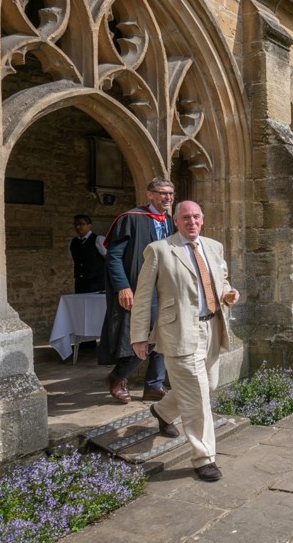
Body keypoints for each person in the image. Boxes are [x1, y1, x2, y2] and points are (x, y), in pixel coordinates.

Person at [131, 200, 238, 482]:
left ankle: (162, 411)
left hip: (211, 328)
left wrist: (228, 293)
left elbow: (222, 280)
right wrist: (139, 336)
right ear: (175, 221)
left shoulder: (214, 247)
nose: (192, 222)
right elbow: (143, 296)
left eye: (196, 217)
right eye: (186, 217)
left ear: (202, 219)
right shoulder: (159, 250)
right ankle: (204, 458)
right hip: (178, 332)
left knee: (208, 385)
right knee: (198, 398)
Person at [99, 177, 175, 404]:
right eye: (163, 193)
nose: (168, 197)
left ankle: (154, 385)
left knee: (164, 336)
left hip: (164, 290)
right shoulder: (131, 218)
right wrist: (122, 286)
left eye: (170, 193)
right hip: (138, 290)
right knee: (143, 337)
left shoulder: (170, 222)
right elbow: (113, 256)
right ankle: (117, 377)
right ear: (150, 194)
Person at [70, 214, 107, 293]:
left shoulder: (98, 239)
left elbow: (108, 259)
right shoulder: (74, 242)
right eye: (76, 224)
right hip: (80, 282)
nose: (78, 227)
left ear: (89, 225)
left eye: (81, 224)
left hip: (97, 282)